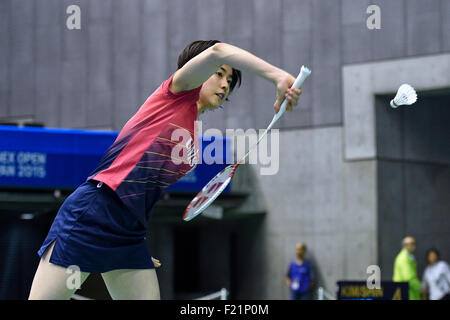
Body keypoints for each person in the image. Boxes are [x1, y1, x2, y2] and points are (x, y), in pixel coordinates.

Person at [28, 40, 303, 300]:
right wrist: (277, 76)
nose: (224, 84)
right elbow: (219, 50)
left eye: (230, 81)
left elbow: (146, 188)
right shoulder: (175, 93)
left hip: (129, 233)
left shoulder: (193, 136)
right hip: (93, 214)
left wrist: (134, 231)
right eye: (219, 75)